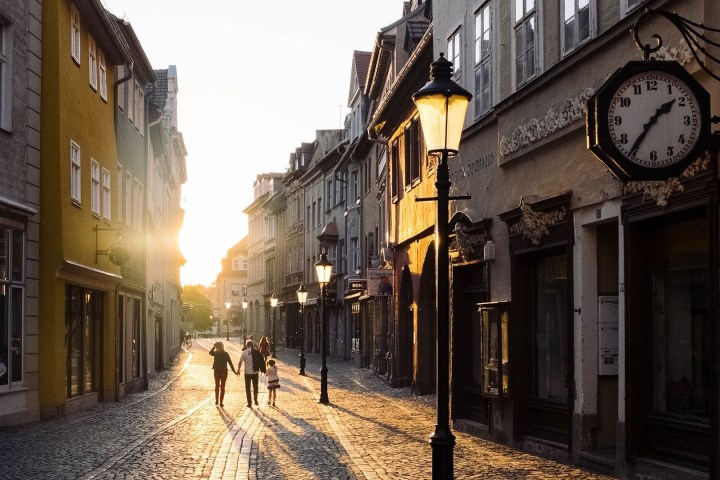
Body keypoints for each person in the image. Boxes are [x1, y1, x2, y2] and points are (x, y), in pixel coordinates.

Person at [209, 341, 237, 407]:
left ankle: (216, 400)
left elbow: (210, 352)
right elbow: (230, 363)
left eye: (216, 347)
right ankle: (221, 402)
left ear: (217, 347)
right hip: (224, 372)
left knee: (217, 386)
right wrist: (234, 371)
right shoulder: (226, 354)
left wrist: (213, 346)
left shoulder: (215, 353)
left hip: (217, 372)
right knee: (222, 387)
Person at [237, 339, 260, 408]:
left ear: (247, 345)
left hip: (247, 373)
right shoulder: (256, 352)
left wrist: (238, 370)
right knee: (255, 386)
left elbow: (240, 362)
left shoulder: (244, 352)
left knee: (248, 388)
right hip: (255, 372)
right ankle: (255, 398)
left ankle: (249, 403)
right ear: (252, 345)